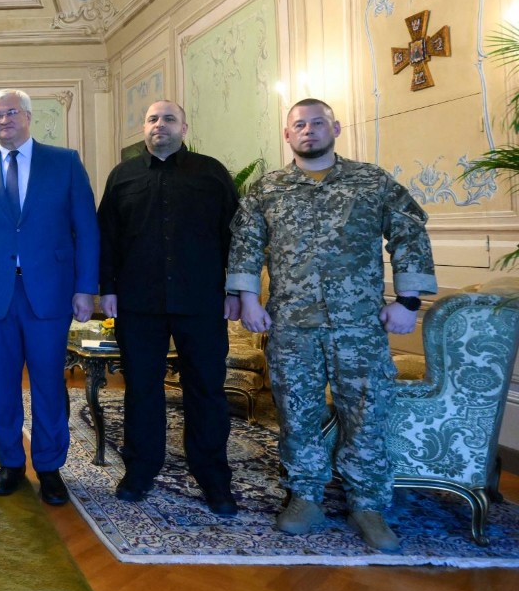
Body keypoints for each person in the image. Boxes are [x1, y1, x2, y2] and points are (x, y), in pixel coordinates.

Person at [228, 98, 437, 552]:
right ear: (288, 135)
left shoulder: (371, 181)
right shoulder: (267, 189)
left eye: (317, 122)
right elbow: (245, 243)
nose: (309, 130)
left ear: (335, 128)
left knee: (366, 412)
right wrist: (247, 299)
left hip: (359, 324)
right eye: (299, 124)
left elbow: (409, 231)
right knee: (296, 411)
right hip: (292, 323)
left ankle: (368, 505)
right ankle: (305, 497)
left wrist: (407, 301)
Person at [0, 88, 99, 506]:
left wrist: (86, 288)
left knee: (49, 382)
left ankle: (50, 467)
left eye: (12, 112)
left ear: (29, 116)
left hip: (50, 293)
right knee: (2, 384)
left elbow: (86, 229)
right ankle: (11, 463)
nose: (5, 120)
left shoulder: (64, 162)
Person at [97, 100, 239, 514]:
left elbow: (236, 235)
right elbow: (107, 237)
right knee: (142, 390)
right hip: (138, 302)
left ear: (184, 128)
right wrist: (107, 289)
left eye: (169, 119)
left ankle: (213, 478)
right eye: (153, 119)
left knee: (206, 390)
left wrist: (236, 289)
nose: (160, 124)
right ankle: (140, 471)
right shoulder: (122, 176)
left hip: (201, 300)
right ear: (144, 128)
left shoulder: (211, 173)